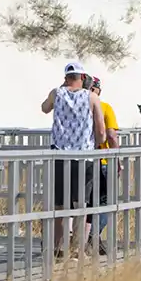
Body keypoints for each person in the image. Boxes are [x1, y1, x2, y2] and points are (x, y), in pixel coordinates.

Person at [40, 61, 106, 259]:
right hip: (84, 156)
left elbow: (44, 108)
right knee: (81, 204)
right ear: (83, 77)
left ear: (65, 77)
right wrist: (97, 142)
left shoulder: (57, 93)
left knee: (60, 204)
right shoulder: (92, 97)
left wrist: (60, 90)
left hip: (60, 155)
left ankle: (59, 248)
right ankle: (77, 249)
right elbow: (101, 130)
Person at [86, 76, 120, 255]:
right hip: (103, 160)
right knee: (106, 202)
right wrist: (118, 159)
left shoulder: (79, 106)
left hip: (82, 161)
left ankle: (85, 240)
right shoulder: (104, 107)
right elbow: (112, 136)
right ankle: (93, 235)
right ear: (97, 89)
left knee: (86, 202)